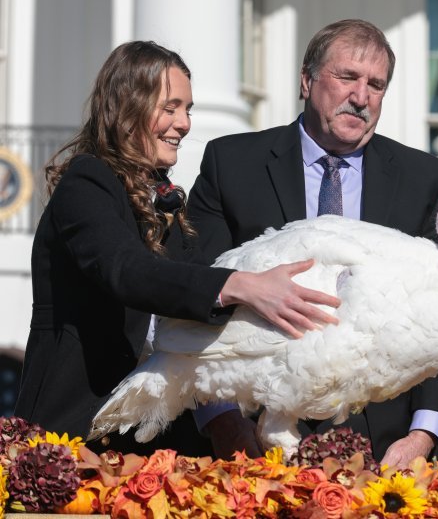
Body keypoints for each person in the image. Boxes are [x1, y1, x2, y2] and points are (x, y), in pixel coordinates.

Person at [14, 41, 339, 456]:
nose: (183, 124)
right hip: (75, 433)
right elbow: (126, 270)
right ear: (127, 107)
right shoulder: (87, 182)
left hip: (159, 443)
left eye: (187, 110)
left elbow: (195, 288)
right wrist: (242, 285)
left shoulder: (166, 200)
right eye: (170, 108)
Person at [188, 19, 438, 467]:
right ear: (307, 80)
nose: (361, 97)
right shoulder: (233, 164)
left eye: (376, 85)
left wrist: (424, 433)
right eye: (347, 78)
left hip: (386, 443)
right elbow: (197, 288)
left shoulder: (423, 179)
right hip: (255, 434)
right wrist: (223, 419)